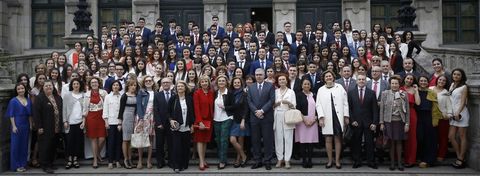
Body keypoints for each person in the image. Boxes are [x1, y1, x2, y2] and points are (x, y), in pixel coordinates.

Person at [316, 70, 349, 169]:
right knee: (328, 139)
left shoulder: (340, 88)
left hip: (338, 116)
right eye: (326, 77)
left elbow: (345, 103)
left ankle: (337, 160)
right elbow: (318, 105)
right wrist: (320, 117)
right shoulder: (321, 90)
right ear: (324, 79)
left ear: (333, 77)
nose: (328, 78)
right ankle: (330, 160)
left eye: (330, 76)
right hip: (326, 118)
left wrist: (346, 116)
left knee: (338, 139)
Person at [379, 75, 410, 171]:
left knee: (399, 142)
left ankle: (399, 163)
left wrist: (407, 123)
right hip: (389, 121)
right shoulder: (385, 93)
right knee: (391, 142)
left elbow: (407, 110)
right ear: (390, 84)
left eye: (396, 83)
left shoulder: (403, 94)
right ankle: (392, 163)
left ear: (399, 84)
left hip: (400, 121)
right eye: (392, 83)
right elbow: (382, 109)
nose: (394, 85)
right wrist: (381, 122)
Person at [348, 74, 379, 169]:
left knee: (369, 142)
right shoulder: (351, 93)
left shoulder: (371, 93)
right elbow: (349, 108)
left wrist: (374, 122)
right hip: (356, 122)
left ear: (366, 81)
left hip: (368, 122)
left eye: (363, 79)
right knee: (356, 142)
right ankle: (357, 161)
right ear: (356, 81)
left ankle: (371, 161)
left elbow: (375, 109)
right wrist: (352, 120)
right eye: (359, 79)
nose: (361, 81)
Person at [248, 68, 275, 170]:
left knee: (268, 140)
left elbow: (272, 100)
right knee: (255, 140)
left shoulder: (270, 86)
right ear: (254, 75)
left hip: (266, 117)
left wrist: (262, 111)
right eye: (257, 74)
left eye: (260, 74)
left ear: (264, 75)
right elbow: (249, 101)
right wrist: (256, 112)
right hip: (254, 118)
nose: (258, 76)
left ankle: (267, 160)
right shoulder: (251, 87)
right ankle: (257, 160)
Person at [33, 80, 63, 174]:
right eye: (46, 86)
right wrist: (39, 127)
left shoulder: (57, 97)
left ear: (53, 87)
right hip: (45, 127)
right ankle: (45, 165)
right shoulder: (39, 98)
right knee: (45, 146)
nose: (48, 87)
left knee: (53, 146)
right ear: (43, 87)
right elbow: (36, 114)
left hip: (56, 126)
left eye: (50, 86)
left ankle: (50, 163)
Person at [168, 81, 195, 173]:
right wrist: (170, 120)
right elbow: (168, 112)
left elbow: (192, 113)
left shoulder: (189, 99)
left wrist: (192, 125)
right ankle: (176, 165)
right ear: (176, 88)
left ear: (185, 88)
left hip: (187, 126)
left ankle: (184, 164)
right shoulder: (173, 99)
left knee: (185, 147)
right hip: (176, 127)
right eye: (178, 86)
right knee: (176, 147)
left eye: (181, 86)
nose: (180, 87)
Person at [6, 83, 32, 172]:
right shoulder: (13, 101)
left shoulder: (28, 100)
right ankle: (16, 165)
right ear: (16, 90)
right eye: (18, 89)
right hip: (17, 124)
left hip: (26, 125)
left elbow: (30, 115)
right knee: (16, 145)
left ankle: (23, 164)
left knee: (24, 145)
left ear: (25, 89)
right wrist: (13, 126)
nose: (21, 90)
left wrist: (31, 125)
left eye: (22, 88)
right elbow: (11, 114)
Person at [273, 73, 296, 169]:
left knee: (288, 138)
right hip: (277, 114)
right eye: (280, 80)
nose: (282, 81)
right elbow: (272, 106)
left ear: (287, 81)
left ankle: (287, 159)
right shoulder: (275, 92)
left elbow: (294, 106)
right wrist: (276, 104)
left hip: (288, 115)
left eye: (283, 79)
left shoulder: (291, 92)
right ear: (278, 82)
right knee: (278, 137)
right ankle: (279, 159)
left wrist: (289, 103)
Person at [448, 68, 470, 169]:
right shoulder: (452, 85)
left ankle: (461, 159)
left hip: (461, 114)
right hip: (453, 115)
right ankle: (459, 155)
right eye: (454, 74)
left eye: (458, 75)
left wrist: (458, 112)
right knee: (451, 136)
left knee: (462, 136)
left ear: (462, 76)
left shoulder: (464, 87)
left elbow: (463, 102)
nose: (456, 76)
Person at [295, 77, 318, 168]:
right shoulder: (298, 95)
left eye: (308, 84)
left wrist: (314, 120)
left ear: (310, 85)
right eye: (305, 84)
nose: (306, 85)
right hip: (302, 121)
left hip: (313, 121)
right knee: (303, 142)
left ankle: (310, 160)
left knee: (310, 142)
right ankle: (304, 160)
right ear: (301, 85)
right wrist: (305, 120)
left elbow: (318, 108)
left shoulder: (314, 95)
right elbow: (297, 109)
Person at [211, 75, 233, 169]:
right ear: (217, 83)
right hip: (216, 119)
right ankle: (221, 156)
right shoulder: (215, 93)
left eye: (223, 81)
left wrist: (225, 107)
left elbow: (234, 106)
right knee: (218, 139)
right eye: (219, 81)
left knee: (224, 139)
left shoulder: (230, 93)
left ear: (226, 82)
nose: (221, 82)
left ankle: (222, 161)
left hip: (226, 118)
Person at [62, 78, 85, 169]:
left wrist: (84, 121)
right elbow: (64, 108)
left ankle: (75, 159)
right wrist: (65, 121)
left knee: (77, 142)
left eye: (77, 84)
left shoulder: (83, 95)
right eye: (74, 84)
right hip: (69, 122)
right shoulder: (67, 95)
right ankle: (69, 159)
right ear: (72, 85)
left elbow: (85, 109)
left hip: (79, 122)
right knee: (69, 142)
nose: (76, 85)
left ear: (80, 85)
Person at [193, 75, 214, 170]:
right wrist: (199, 121)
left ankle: (204, 159)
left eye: (206, 81)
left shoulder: (211, 93)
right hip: (200, 120)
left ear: (209, 82)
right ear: (200, 83)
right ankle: (201, 161)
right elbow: (196, 108)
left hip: (209, 120)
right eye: (202, 82)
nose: (204, 83)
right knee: (200, 140)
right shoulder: (197, 93)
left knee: (205, 141)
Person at [227, 77, 249, 168]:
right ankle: (244, 156)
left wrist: (243, 120)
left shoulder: (244, 94)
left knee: (240, 141)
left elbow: (246, 108)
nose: (236, 84)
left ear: (241, 83)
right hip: (233, 119)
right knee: (232, 140)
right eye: (235, 82)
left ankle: (238, 158)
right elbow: (230, 106)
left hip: (241, 120)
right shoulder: (230, 93)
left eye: (238, 82)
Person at [135, 76, 157, 169]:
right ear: (144, 83)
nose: (148, 82)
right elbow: (139, 105)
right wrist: (140, 118)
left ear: (153, 82)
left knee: (150, 139)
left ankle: (148, 161)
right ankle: (140, 160)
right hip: (142, 116)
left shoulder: (156, 93)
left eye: (150, 80)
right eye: (146, 81)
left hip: (152, 117)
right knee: (140, 138)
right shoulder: (141, 92)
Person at [429, 75, 452, 162]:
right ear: (437, 80)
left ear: (446, 83)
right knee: (432, 137)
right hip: (431, 117)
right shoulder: (430, 89)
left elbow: (449, 106)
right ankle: (432, 154)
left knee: (443, 137)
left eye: (444, 81)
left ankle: (441, 154)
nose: (441, 81)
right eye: (440, 80)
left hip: (442, 118)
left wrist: (448, 115)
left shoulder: (446, 92)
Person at [153, 78, 174, 168]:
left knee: (171, 143)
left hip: (171, 123)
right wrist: (158, 123)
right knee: (159, 143)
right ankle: (160, 161)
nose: (165, 84)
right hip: (160, 123)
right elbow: (156, 110)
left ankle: (170, 161)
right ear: (161, 84)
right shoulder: (157, 95)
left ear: (170, 84)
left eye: (167, 82)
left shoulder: (174, 94)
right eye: (164, 82)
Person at [416, 75, 436, 168]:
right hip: (418, 117)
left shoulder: (431, 92)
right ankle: (420, 157)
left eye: (425, 81)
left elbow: (435, 106)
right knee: (420, 137)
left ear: (428, 83)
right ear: (418, 82)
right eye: (421, 81)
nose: (423, 82)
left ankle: (428, 160)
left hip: (429, 117)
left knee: (429, 139)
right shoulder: (416, 91)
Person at [401, 74, 420, 167]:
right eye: (407, 78)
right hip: (400, 114)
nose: (409, 80)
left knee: (412, 138)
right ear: (404, 79)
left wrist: (416, 91)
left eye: (411, 79)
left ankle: (411, 160)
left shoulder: (414, 90)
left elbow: (418, 103)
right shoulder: (399, 88)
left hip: (412, 114)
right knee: (401, 137)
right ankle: (402, 159)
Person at [103, 80, 123, 169]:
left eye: (117, 85)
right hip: (110, 123)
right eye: (114, 85)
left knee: (119, 142)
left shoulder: (122, 96)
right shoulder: (107, 97)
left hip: (119, 123)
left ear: (119, 87)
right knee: (111, 142)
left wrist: (120, 122)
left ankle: (118, 160)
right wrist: (106, 122)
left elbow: (122, 111)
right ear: (111, 87)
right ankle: (110, 161)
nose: (115, 86)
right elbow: (105, 110)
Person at [118, 79, 138, 169]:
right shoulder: (124, 96)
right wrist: (119, 122)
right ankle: (125, 159)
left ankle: (130, 159)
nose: (133, 87)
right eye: (132, 85)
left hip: (134, 118)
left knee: (131, 140)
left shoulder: (137, 95)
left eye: (135, 85)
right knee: (125, 140)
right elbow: (121, 109)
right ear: (128, 86)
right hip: (126, 117)